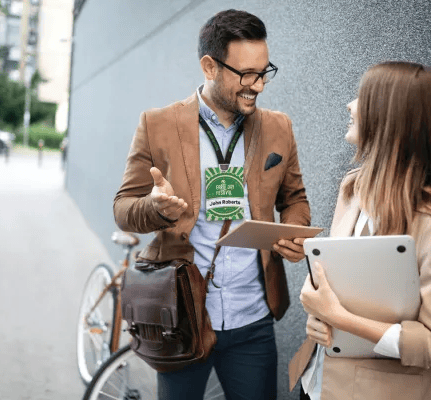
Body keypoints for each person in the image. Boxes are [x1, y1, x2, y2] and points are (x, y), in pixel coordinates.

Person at [113, 9, 311, 400]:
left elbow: (295, 199)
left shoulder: (278, 127)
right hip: (183, 316)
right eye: (246, 74)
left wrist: (293, 232)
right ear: (210, 66)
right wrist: (154, 208)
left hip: (253, 319)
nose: (258, 85)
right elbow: (123, 207)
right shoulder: (157, 124)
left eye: (264, 71)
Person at [289, 61, 431, 400]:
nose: (349, 106)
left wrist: (339, 317)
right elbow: (340, 286)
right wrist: (320, 318)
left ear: (391, 116)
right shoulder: (352, 189)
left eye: (361, 97)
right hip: (316, 384)